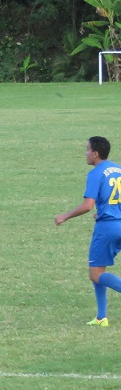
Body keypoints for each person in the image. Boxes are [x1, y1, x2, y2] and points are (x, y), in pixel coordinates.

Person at [54, 136, 121, 327]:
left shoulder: (95, 174)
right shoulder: (118, 169)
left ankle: (102, 316)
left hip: (107, 229)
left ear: (96, 153)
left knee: (95, 274)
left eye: (87, 149)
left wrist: (64, 216)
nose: (85, 153)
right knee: (97, 269)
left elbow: (87, 205)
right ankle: (101, 317)